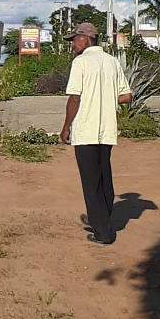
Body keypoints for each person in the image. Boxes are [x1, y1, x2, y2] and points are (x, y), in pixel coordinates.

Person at [59, 22, 133, 245]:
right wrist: (106, 95)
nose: (72, 44)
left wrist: (66, 126)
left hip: (86, 130)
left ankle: (103, 233)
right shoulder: (112, 62)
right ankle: (103, 218)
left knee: (90, 183)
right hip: (106, 130)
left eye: (74, 39)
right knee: (104, 176)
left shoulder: (80, 63)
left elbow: (74, 98)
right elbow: (127, 96)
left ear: (86, 39)